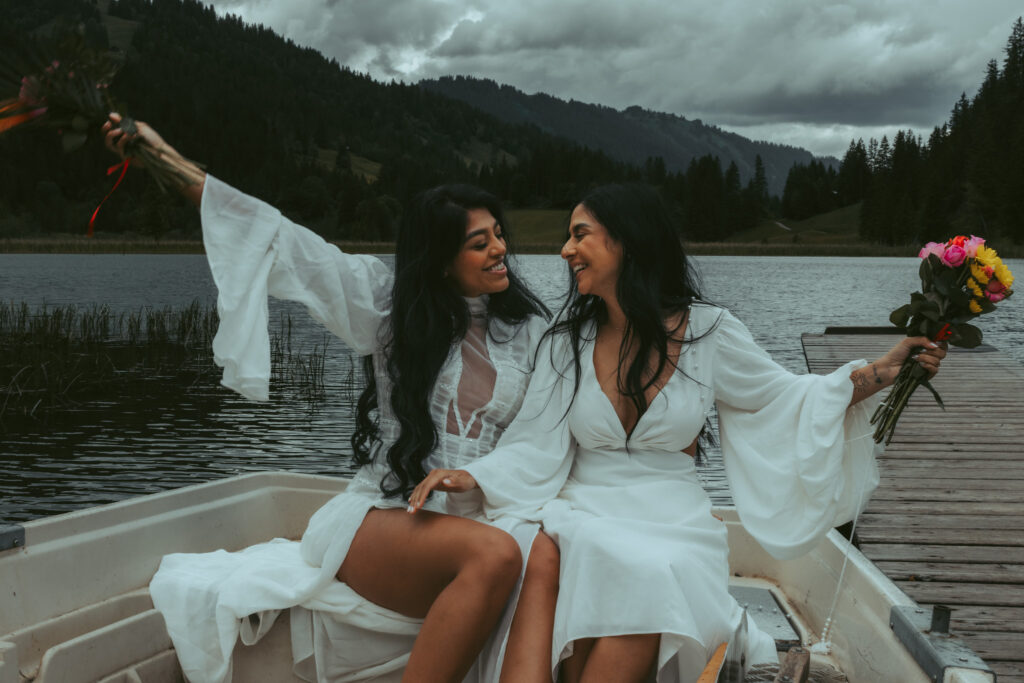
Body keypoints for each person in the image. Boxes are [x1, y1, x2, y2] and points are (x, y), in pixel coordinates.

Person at [409, 182, 948, 682]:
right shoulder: (564, 343)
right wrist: (475, 477)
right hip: (582, 504)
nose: (565, 251)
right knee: (594, 562)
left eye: (580, 235)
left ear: (628, 241)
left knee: (653, 574)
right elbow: (533, 440)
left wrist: (882, 372)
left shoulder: (710, 332)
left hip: (674, 517)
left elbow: (786, 397)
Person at [102, 114, 560, 683]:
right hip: (388, 515)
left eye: (498, 234)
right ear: (441, 258)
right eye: (479, 242)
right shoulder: (387, 308)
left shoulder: (529, 333)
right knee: (494, 556)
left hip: (485, 511)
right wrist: (161, 158)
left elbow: (546, 436)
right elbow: (284, 242)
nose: (500, 250)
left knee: (554, 546)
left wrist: (480, 480)